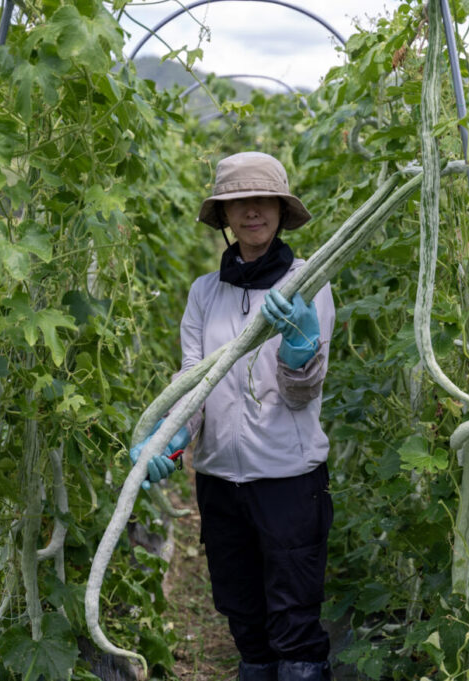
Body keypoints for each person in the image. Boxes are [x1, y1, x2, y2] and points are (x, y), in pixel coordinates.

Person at [130, 152, 337, 681]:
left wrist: (299, 348)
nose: (251, 212)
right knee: (243, 616)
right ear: (224, 216)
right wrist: (170, 439)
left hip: (289, 480)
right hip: (221, 480)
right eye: (238, 202)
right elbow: (193, 381)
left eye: (262, 200)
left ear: (280, 210)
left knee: (294, 624)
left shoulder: (307, 283)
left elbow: (302, 396)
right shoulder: (205, 293)